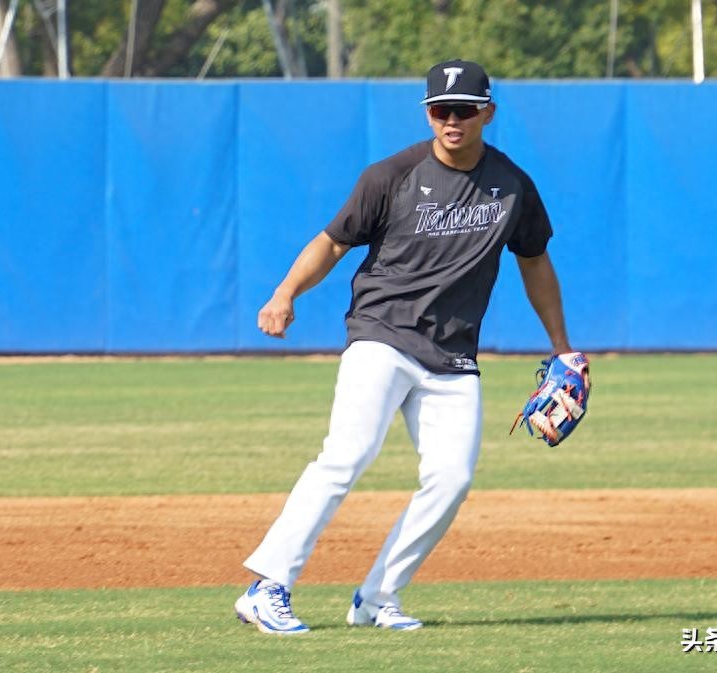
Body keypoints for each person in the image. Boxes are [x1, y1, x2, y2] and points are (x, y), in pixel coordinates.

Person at [234, 59, 576, 635]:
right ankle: (268, 586)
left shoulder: (512, 186)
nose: (452, 120)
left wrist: (562, 348)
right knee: (346, 455)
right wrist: (284, 293)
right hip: (381, 334)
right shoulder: (390, 175)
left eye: (464, 109)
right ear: (427, 113)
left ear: (487, 113)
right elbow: (332, 242)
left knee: (451, 479)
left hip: (453, 356)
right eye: (441, 110)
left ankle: (377, 597)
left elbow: (535, 261)